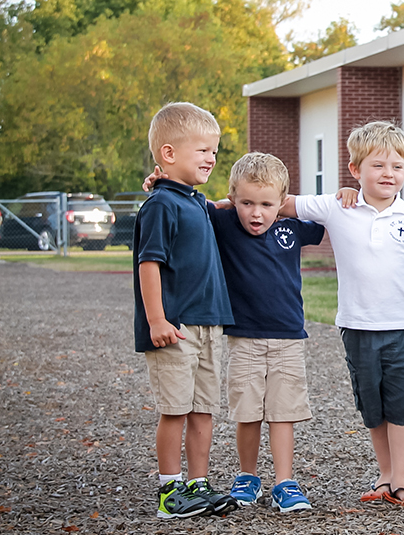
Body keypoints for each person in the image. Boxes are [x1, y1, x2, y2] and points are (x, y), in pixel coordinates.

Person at [285, 121, 404, 507]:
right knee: (372, 406)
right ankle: (386, 477)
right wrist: (216, 203)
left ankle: (402, 481)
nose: (389, 174)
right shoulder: (337, 206)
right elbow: (279, 201)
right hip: (357, 326)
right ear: (355, 170)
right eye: (378, 165)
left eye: (397, 166)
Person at [133, 102, 239, 519]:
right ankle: (169, 492)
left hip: (208, 324)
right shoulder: (161, 205)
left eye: (214, 150)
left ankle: (199, 484)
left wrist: (237, 202)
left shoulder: (194, 201)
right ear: (169, 155)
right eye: (202, 150)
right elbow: (149, 263)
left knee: (202, 410)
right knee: (175, 410)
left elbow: (213, 209)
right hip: (174, 327)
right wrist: (157, 319)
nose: (211, 158)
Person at [207, 153, 324, 512]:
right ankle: (248, 476)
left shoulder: (292, 227)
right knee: (248, 411)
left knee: (282, 411)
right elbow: (199, 205)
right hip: (243, 337)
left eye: (266, 204)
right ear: (233, 199)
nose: (256, 213)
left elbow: (323, 218)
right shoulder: (225, 222)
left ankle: (284, 482)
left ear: (282, 202)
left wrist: (291, 206)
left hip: (288, 336)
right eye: (246, 203)